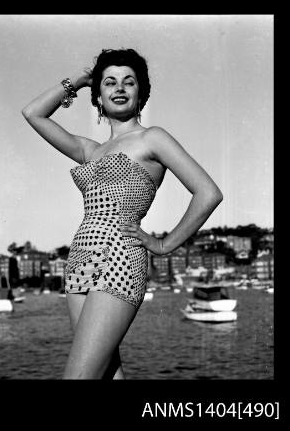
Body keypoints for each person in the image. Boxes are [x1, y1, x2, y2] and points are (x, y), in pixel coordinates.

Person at [22, 48, 223, 379]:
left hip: (119, 257)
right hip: (79, 260)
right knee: (106, 374)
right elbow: (33, 114)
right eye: (109, 82)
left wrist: (164, 244)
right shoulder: (90, 150)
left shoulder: (152, 138)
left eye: (128, 82)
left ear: (140, 92)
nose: (119, 88)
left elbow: (208, 192)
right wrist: (81, 79)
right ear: (98, 94)